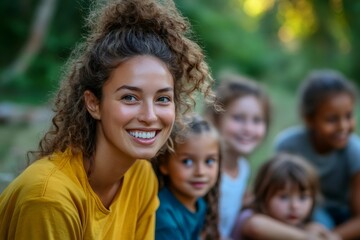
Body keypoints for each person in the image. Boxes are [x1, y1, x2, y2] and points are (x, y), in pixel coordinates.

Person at [0, 0, 214, 239]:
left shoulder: (140, 175)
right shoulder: (49, 199)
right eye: (130, 97)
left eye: (163, 99)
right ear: (94, 104)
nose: (150, 116)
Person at [275, 69, 360, 239]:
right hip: (301, 212)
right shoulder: (288, 145)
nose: (343, 126)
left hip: (344, 215)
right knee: (319, 216)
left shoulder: (355, 152)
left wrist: (330, 237)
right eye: (332, 119)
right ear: (309, 119)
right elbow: (277, 197)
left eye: (349, 116)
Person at [205, 73, 271, 238]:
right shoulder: (206, 169)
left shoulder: (243, 167)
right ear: (216, 119)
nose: (248, 129)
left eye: (257, 120)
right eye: (238, 118)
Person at [231, 153, 340, 240]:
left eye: (303, 198)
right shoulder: (249, 216)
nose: (295, 206)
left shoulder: (300, 225)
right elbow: (255, 226)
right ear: (263, 195)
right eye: (284, 197)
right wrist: (306, 236)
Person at [153, 114, 221, 240]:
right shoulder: (163, 216)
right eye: (187, 162)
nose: (200, 172)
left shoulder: (199, 203)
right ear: (164, 164)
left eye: (209, 161)